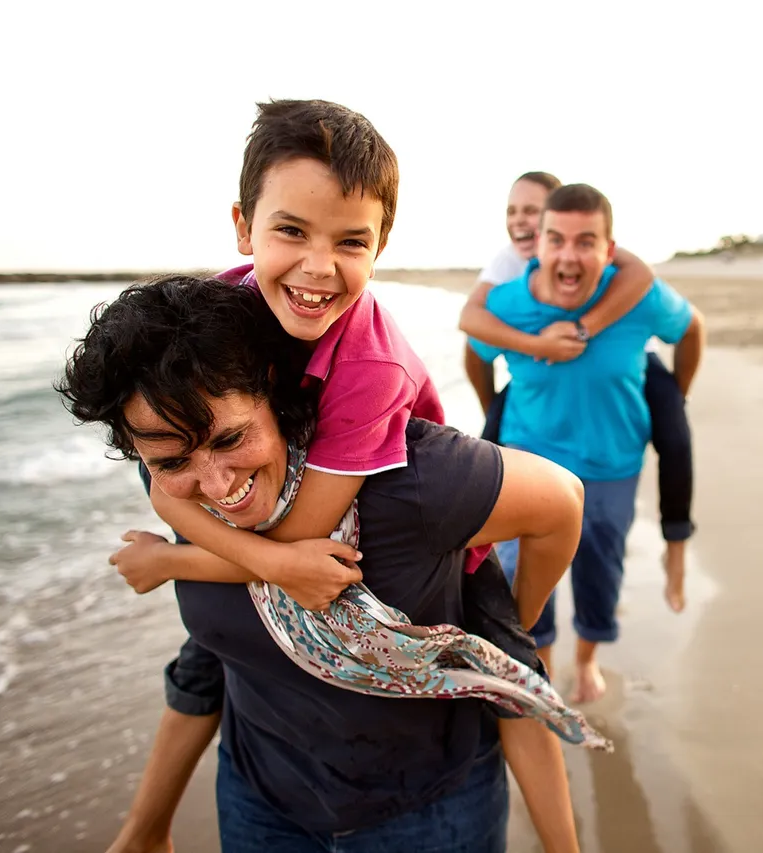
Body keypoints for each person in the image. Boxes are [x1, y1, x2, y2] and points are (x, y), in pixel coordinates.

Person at [101, 100, 578, 838]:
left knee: (508, 663)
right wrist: (191, 545)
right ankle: (144, 824)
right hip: (264, 781)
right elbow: (184, 497)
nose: (318, 266)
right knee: (220, 635)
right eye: (290, 229)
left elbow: (299, 542)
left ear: (380, 245)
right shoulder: (212, 335)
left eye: (350, 241)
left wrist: (176, 560)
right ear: (242, 227)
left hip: (401, 506)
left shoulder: (372, 374)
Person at [60, 276, 586, 852]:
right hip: (259, 803)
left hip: (429, 813)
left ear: (267, 386)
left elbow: (562, 503)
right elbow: (215, 649)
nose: (216, 483)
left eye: (232, 439)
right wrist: (146, 826)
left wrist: (522, 616)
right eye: (170, 460)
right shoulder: (179, 485)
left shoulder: (412, 479)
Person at [467, 184, 706, 703]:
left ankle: (587, 660)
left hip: (611, 466)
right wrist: (492, 411)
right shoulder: (508, 304)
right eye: (557, 241)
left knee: (601, 573)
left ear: (608, 249)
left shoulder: (636, 298)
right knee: (523, 582)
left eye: (585, 242)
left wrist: (677, 398)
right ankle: (543, 668)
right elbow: (475, 349)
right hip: (527, 468)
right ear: (541, 243)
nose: (569, 256)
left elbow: (691, 328)